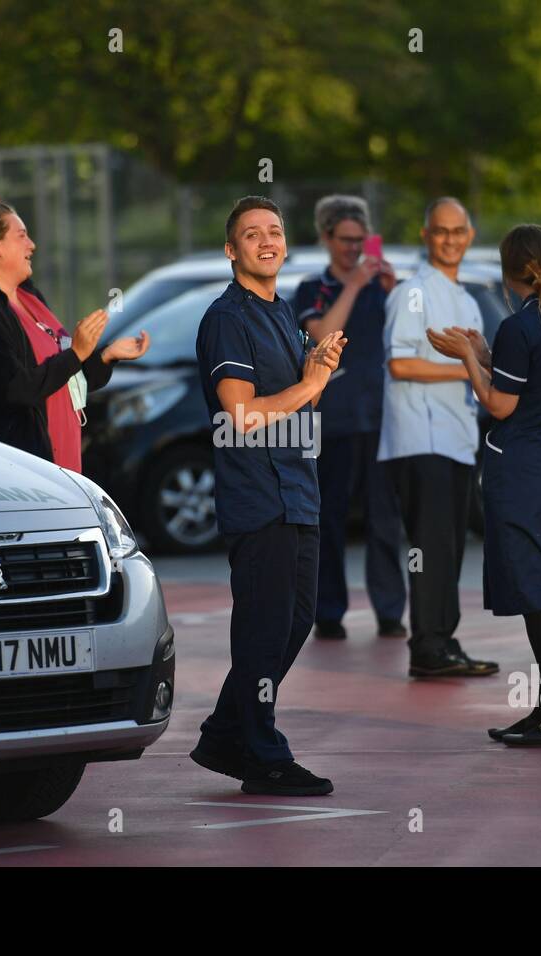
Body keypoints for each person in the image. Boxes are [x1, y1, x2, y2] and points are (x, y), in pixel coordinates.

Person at [188, 196, 347, 796]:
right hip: (258, 497)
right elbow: (240, 412)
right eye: (251, 235)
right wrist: (307, 384)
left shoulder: (282, 312)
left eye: (275, 231)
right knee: (263, 627)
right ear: (232, 251)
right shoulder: (227, 318)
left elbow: (294, 402)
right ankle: (262, 751)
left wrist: (316, 374)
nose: (266, 241)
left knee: (295, 620)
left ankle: (228, 731)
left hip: (297, 492)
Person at [428, 223, 541, 747]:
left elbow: (500, 403)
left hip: (522, 472)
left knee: (538, 594)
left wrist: (467, 361)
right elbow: (536, 381)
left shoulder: (519, 326)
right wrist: (484, 353)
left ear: (506, 272)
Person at [0, 181, 149, 472]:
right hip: (19, 475)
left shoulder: (27, 295)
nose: (32, 245)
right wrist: (76, 353)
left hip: (62, 467)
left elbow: (62, 379)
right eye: (22, 236)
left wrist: (105, 356)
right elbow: (16, 390)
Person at [378, 197, 497, 679]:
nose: (450, 238)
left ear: (469, 235)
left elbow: (482, 365)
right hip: (419, 439)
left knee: (450, 547)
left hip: (457, 437)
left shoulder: (467, 299)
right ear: (426, 236)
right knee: (429, 547)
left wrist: (477, 365)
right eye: (440, 231)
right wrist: (465, 367)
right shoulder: (411, 292)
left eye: (458, 230)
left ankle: (444, 642)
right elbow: (400, 362)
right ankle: (427, 646)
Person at [291, 195, 406, 641]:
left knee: (384, 519)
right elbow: (324, 337)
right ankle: (329, 612)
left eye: (361, 240)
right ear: (326, 238)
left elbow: (405, 337)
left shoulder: (380, 286)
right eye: (345, 240)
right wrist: (354, 285)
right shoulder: (311, 289)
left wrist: (393, 292)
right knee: (330, 518)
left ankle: (391, 611)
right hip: (332, 421)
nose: (354, 249)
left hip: (379, 418)